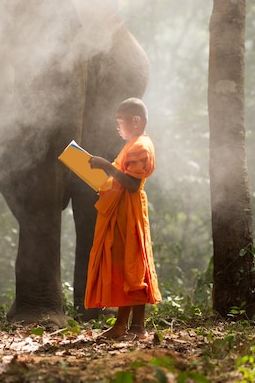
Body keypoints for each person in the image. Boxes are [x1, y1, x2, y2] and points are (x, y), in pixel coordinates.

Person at [84, 97, 161, 341]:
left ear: (136, 121)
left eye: (121, 122)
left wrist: (106, 165)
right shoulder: (134, 143)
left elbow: (131, 183)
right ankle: (129, 326)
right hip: (123, 211)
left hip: (130, 212)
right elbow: (122, 181)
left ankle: (130, 327)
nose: (118, 127)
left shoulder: (141, 147)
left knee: (131, 266)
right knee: (129, 266)